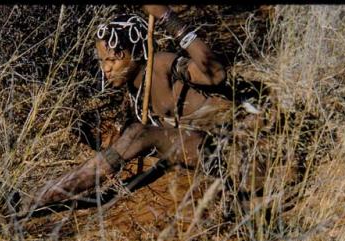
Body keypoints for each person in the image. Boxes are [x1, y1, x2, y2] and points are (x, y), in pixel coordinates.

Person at [19, 5, 274, 216]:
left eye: (114, 58)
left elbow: (216, 74)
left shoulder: (162, 64)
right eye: (103, 61)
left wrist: (167, 17)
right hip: (209, 158)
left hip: (237, 153)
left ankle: (34, 200)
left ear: (137, 52)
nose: (106, 69)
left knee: (138, 134)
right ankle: (39, 198)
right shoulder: (134, 91)